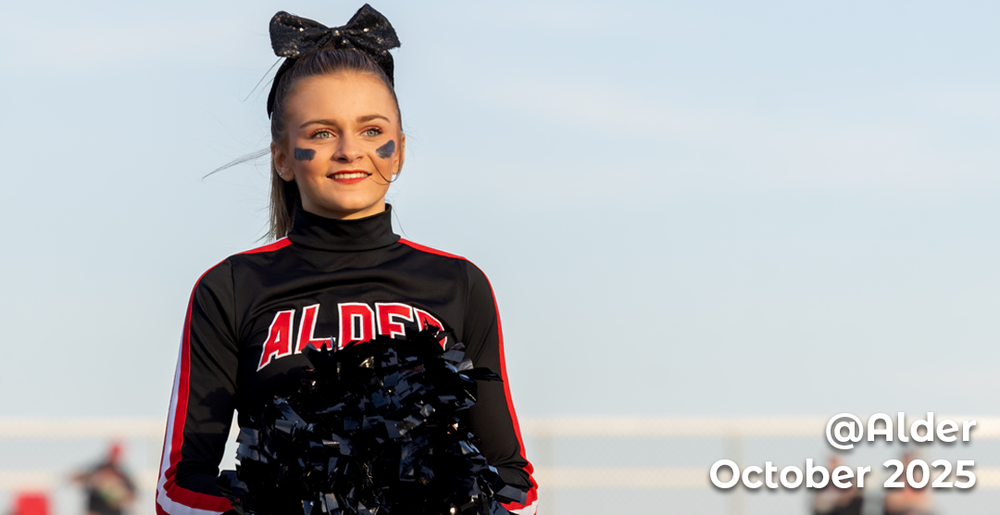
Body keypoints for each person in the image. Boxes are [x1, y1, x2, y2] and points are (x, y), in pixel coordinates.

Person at [155, 5, 538, 515]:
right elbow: (180, 486)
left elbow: (514, 480)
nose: (349, 150)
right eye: (320, 133)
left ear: (398, 151)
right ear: (283, 157)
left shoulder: (459, 283)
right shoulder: (230, 287)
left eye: (371, 130)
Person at [73, 442, 137, 515]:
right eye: (113, 454)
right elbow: (75, 477)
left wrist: (119, 497)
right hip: (95, 511)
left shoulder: (121, 474)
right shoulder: (98, 469)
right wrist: (95, 480)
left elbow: (133, 496)